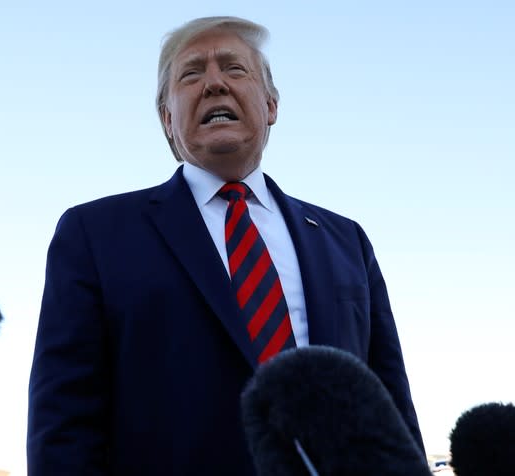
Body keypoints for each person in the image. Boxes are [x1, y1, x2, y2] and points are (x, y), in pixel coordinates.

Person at [27, 16, 423, 475]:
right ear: (167, 118)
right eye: (192, 73)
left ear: (271, 104)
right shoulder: (94, 233)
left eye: (235, 69)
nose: (215, 83)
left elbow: (391, 407)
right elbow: (64, 418)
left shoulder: (344, 239)